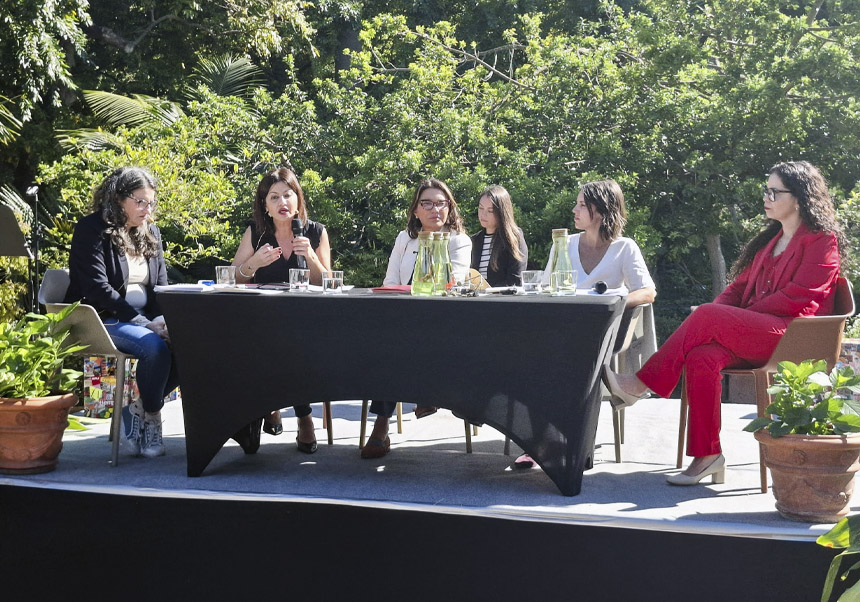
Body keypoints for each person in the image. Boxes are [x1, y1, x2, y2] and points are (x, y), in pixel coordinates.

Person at [604, 161, 843, 486]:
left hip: (794, 338)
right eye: (766, 189)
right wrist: (717, 316)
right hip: (760, 334)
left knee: (706, 315)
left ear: (799, 198)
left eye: (774, 191)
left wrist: (721, 316)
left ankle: (642, 383)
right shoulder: (770, 242)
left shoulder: (821, 240)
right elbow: (737, 290)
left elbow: (799, 296)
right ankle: (708, 456)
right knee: (703, 354)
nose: (766, 196)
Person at [515, 179, 657, 469]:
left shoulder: (624, 248)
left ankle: (573, 441)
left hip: (601, 332)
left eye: (582, 205)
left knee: (577, 359)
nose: (574, 210)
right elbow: (543, 287)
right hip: (560, 328)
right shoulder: (563, 244)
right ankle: (538, 441)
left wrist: (613, 302)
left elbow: (647, 291)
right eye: (577, 203)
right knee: (529, 354)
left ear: (602, 211)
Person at [66, 166, 178, 458]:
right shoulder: (92, 229)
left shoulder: (150, 232)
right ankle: (153, 414)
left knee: (190, 343)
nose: (147, 209)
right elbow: (98, 289)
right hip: (103, 318)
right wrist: (144, 323)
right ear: (119, 199)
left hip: (144, 321)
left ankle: (136, 408)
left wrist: (162, 319)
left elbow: (161, 287)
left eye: (151, 202)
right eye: (140, 201)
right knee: (155, 349)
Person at [364, 178, 472, 459]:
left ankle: (384, 423)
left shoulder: (459, 241)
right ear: (415, 210)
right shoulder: (404, 239)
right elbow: (390, 281)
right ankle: (396, 414)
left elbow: (456, 284)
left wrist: (434, 250)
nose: (435, 209)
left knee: (401, 346)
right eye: (427, 203)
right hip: (403, 318)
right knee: (391, 343)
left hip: (444, 323)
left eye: (441, 203)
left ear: (450, 207)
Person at [231, 167, 331, 454]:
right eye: (274, 197)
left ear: (298, 200)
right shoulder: (256, 232)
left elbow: (328, 283)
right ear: (265, 205)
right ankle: (299, 415)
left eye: (288, 195)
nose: (282, 203)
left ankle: (298, 416)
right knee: (274, 343)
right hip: (262, 319)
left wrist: (310, 256)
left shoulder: (315, 232)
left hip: (304, 320)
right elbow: (234, 278)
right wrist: (254, 264)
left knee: (292, 345)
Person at [470, 185, 528, 286]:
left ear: (502, 212)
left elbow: (515, 280)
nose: (483, 214)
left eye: (490, 210)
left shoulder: (513, 238)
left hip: (501, 299)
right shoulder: (475, 240)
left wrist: (489, 291)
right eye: (480, 208)